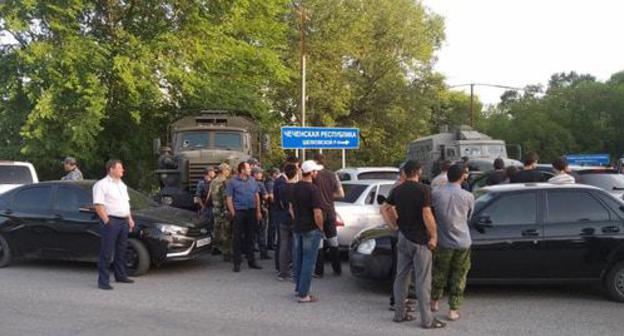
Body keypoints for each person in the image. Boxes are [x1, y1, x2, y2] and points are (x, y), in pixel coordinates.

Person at [380, 160, 446, 329]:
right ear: (418, 172)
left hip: (403, 237)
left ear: (405, 173)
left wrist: (393, 225)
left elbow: (384, 208)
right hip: (420, 240)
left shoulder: (398, 190)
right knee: (423, 280)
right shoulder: (424, 190)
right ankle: (427, 320)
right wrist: (433, 236)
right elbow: (427, 214)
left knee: (401, 276)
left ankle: (399, 314)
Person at [431, 164, 475, 321]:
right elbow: (469, 217)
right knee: (459, 274)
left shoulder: (436, 194)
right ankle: (453, 309)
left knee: (439, 271)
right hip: (462, 241)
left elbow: (432, 214)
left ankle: (434, 301)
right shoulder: (468, 196)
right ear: (462, 176)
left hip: (442, 240)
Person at [92, 159, 135, 290]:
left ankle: (120, 275)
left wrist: (130, 218)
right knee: (107, 252)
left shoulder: (122, 185)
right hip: (111, 221)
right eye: (120, 168)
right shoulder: (101, 185)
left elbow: (125, 204)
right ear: (111, 169)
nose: (123, 170)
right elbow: (98, 205)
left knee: (121, 250)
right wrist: (106, 221)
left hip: (123, 221)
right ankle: (103, 281)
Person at [291, 160, 325, 303]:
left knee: (298, 259)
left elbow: (291, 208)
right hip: (310, 228)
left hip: (297, 227)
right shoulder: (313, 189)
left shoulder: (294, 187)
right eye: (315, 171)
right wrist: (321, 227)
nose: (316, 173)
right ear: (311, 173)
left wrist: (297, 219)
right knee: (309, 261)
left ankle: (299, 288)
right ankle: (304, 294)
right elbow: (317, 213)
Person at [226, 161, 263, 272]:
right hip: (239, 212)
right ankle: (237, 263)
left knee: (250, 237)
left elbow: (256, 195)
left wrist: (258, 211)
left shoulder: (252, 180)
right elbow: (229, 198)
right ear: (242, 170)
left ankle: (251, 261)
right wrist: (234, 213)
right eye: (248, 168)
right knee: (237, 238)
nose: (250, 170)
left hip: (251, 211)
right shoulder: (232, 182)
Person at [312, 153, 345, 277]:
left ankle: (319, 271)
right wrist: (329, 196)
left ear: (315, 162)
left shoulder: (313, 175)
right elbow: (341, 194)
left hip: (318, 211)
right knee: (333, 241)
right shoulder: (333, 175)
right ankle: (337, 269)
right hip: (331, 211)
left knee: (319, 242)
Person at [276, 163, 298, 280]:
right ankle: (295, 272)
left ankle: (283, 272)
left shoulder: (282, 187)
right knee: (295, 246)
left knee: (283, 246)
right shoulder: (296, 188)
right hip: (294, 219)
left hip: (283, 218)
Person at [211, 163, 233, 262]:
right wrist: (228, 210)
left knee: (217, 229)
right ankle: (227, 253)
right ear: (224, 170)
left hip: (215, 208)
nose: (229, 172)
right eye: (228, 170)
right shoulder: (224, 182)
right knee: (226, 232)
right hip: (222, 209)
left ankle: (215, 248)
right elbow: (225, 197)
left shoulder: (214, 181)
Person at [253, 167, 271, 260]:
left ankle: (250, 253)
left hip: (249, 210)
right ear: (255, 174)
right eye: (259, 173)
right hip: (261, 210)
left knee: (251, 233)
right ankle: (263, 253)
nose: (261, 175)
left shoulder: (248, 183)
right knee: (262, 232)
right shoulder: (260, 184)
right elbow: (265, 196)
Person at [265, 168, 279, 251]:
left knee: (273, 225)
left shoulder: (271, 182)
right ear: (273, 174)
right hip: (272, 206)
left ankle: (272, 242)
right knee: (272, 225)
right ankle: (271, 243)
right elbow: (271, 196)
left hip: (272, 207)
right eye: (277, 173)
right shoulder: (270, 183)